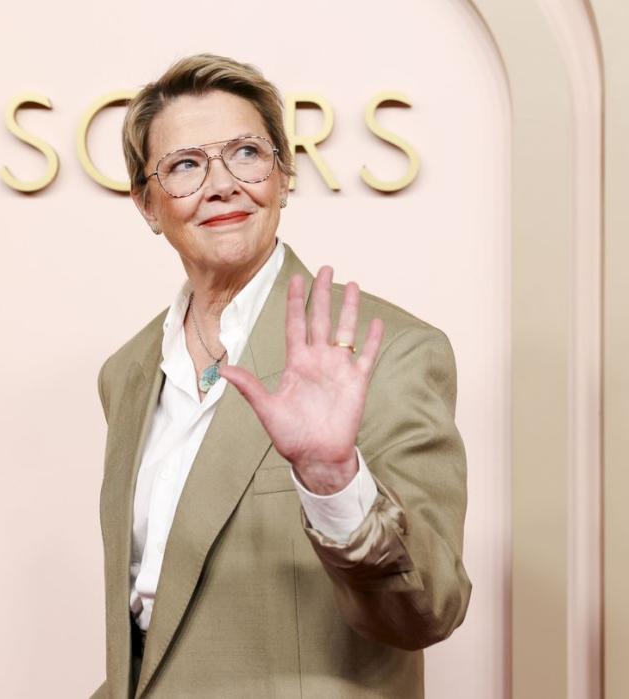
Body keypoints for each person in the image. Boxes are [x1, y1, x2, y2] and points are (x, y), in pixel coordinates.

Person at [90, 54, 470, 699]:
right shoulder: (127, 371)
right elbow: (149, 608)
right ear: (147, 206)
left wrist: (334, 482)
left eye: (245, 153)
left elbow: (428, 607)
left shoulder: (391, 350)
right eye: (185, 165)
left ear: (284, 177)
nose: (222, 185)